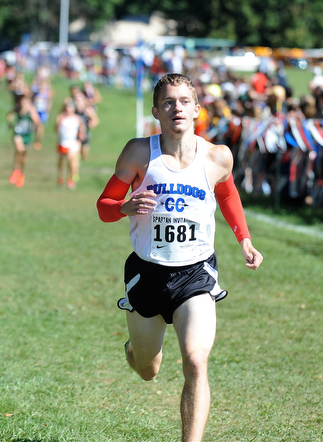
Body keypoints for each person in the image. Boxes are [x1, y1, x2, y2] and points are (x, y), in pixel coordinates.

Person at [96, 73, 263, 442]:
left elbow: (228, 195)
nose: (177, 108)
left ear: (197, 109)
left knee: (195, 361)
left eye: (184, 101)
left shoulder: (218, 156)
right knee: (148, 369)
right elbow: (104, 207)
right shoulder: (140, 152)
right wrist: (126, 206)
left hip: (195, 272)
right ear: (156, 110)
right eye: (169, 102)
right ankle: (135, 351)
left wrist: (245, 239)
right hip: (148, 271)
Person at [6, 95, 43, 188]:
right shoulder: (17, 109)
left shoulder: (31, 112)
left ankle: (21, 173)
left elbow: (38, 124)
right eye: (23, 102)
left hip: (27, 136)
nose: (24, 104)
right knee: (19, 149)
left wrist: (37, 140)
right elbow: (9, 115)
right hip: (18, 134)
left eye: (26, 102)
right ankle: (15, 170)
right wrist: (10, 124)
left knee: (23, 156)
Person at [55, 98, 85, 189]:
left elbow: (82, 127)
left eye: (71, 107)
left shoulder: (77, 118)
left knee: (71, 159)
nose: (69, 109)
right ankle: (60, 177)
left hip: (72, 142)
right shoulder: (61, 117)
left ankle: (71, 179)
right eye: (67, 107)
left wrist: (81, 134)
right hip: (63, 142)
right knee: (62, 161)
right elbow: (56, 130)